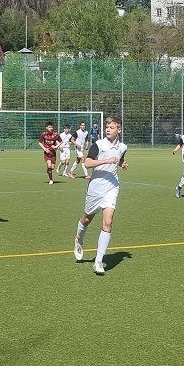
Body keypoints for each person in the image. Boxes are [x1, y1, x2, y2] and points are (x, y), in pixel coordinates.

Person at [73, 116, 128, 275]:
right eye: (107, 127)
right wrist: (107, 161)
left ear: (119, 130)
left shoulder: (123, 147)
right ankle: (79, 239)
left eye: (111, 127)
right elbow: (87, 163)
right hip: (96, 188)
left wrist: (122, 164)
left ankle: (98, 261)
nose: (108, 129)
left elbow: (119, 159)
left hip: (112, 187)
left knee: (108, 222)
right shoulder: (98, 145)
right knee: (87, 219)